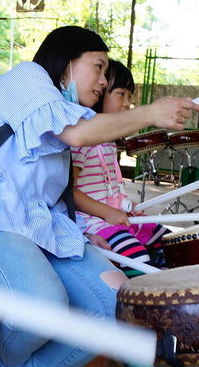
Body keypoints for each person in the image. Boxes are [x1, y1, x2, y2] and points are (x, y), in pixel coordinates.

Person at [0, 26, 199, 367]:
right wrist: (150, 114)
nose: (103, 81)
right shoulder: (28, 77)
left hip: (37, 227)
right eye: (98, 67)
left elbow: (52, 195)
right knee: (44, 305)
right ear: (67, 60)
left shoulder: (61, 107)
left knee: (113, 302)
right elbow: (77, 132)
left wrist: (80, 237)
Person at [71, 59, 168, 276]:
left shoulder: (108, 141)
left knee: (171, 240)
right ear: (100, 95)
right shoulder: (83, 139)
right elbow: (68, 190)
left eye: (130, 96)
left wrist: (125, 205)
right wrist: (108, 212)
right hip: (93, 223)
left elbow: (109, 190)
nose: (127, 103)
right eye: (121, 94)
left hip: (115, 217)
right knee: (138, 259)